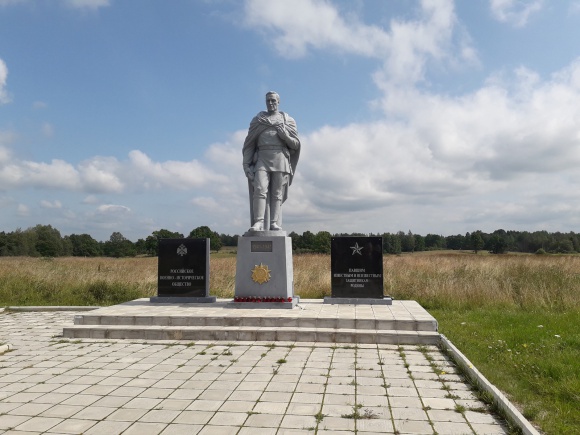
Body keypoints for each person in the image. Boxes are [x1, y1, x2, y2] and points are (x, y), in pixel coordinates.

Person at [242, 91, 300, 231]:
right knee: (260, 189)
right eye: (268, 100)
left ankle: (274, 223)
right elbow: (249, 144)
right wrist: (246, 164)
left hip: (280, 158)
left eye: (273, 100)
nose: (270, 103)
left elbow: (296, 145)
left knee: (276, 193)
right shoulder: (258, 120)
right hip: (262, 157)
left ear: (278, 102)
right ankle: (259, 222)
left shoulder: (287, 121)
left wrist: (285, 136)